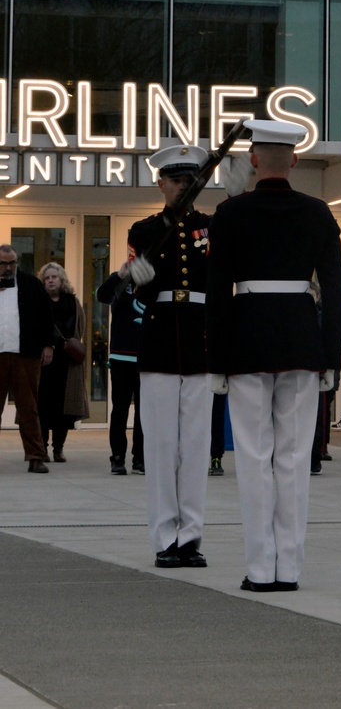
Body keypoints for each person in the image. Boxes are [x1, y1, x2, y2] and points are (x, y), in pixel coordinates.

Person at [206, 119, 341, 594]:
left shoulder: (230, 214)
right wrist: (331, 356)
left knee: (252, 455)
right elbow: (335, 289)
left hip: (246, 339)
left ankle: (260, 568)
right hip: (302, 342)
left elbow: (217, 293)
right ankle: (290, 567)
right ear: (296, 160)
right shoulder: (318, 212)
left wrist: (216, 359)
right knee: (292, 457)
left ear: (252, 160)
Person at [128, 141, 213, 569]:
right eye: (176, 180)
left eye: (189, 180)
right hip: (161, 342)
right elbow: (133, 297)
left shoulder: (212, 228)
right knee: (161, 445)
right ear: (160, 183)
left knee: (196, 447)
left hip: (199, 341)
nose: (182, 186)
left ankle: (191, 536)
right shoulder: (144, 232)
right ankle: (165, 536)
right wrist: (137, 282)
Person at [0, 244, 53, 473]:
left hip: (26, 355)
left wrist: (48, 345)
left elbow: (46, 316)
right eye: (3, 263)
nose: (8, 267)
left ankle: (35, 456)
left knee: (28, 407)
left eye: (12, 262)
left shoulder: (31, 284)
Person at [97, 254, 145, 476]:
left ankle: (140, 458)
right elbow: (102, 295)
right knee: (120, 410)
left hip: (147, 358)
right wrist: (120, 274)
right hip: (121, 357)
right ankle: (117, 458)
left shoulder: (154, 282)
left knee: (144, 412)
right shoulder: (121, 283)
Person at [36, 263, 89, 462]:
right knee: (43, 405)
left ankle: (58, 448)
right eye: (46, 278)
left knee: (63, 408)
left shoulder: (73, 302)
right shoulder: (39, 301)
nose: (50, 280)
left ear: (61, 280)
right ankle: (42, 448)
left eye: (54, 277)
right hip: (44, 360)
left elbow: (80, 328)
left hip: (67, 362)